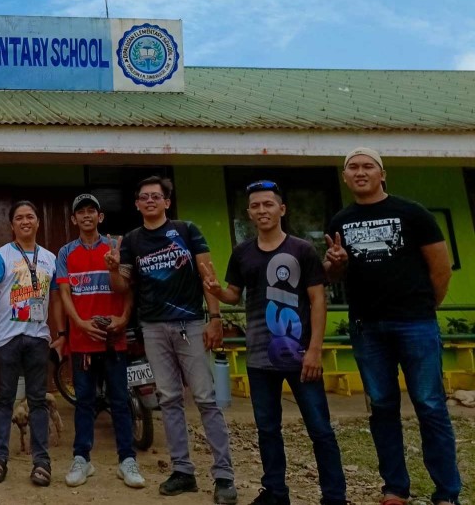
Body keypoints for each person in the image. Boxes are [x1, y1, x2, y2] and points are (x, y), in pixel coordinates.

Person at [325, 148, 460, 505]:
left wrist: (425, 308)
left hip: (415, 324)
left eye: (368, 166)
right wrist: (336, 263)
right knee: (382, 407)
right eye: (353, 167)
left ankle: (447, 493)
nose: (360, 172)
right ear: (345, 176)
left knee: (430, 405)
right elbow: (335, 275)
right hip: (367, 328)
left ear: (382, 174)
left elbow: (441, 268)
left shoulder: (412, 213)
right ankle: (395, 488)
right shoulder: (340, 220)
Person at [203, 181, 347, 505]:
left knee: (320, 430)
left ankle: (335, 496)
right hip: (259, 358)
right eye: (255, 206)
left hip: (301, 356)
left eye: (268, 204)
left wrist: (314, 350)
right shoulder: (242, 253)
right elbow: (233, 295)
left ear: (282, 209)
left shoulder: (302, 250)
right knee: (267, 430)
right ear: (249, 213)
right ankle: (275, 493)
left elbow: (318, 300)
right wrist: (215, 290)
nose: (262, 210)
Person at [105, 176, 237, 504]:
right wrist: (113, 268)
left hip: (190, 324)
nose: (150, 201)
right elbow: (121, 287)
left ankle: (224, 476)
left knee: (205, 398)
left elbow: (208, 276)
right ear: (137, 204)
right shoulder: (132, 241)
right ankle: (182, 471)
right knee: (169, 399)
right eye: (144, 197)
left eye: (156, 196)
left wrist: (215, 318)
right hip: (152, 328)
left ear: (166, 202)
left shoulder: (187, 230)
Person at [54, 194, 145, 489]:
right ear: (74, 219)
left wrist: (124, 319)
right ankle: (82, 459)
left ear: (100, 217)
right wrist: (79, 324)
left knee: (120, 401)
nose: (86, 216)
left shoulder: (117, 247)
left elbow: (128, 289)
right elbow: (65, 295)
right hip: (82, 341)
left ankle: (127, 460)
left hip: (113, 339)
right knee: (84, 402)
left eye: (91, 211)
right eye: (80, 212)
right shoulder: (65, 252)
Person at [0, 200, 60, 487]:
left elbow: (57, 298)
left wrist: (61, 334)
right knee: (4, 399)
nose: (25, 221)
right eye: (19, 218)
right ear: (12, 225)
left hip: (38, 337)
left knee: (38, 401)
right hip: (7, 337)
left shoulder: (50, 258)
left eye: (30, 217)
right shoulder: (1, 255)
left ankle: (42, 462)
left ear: (38, 222)